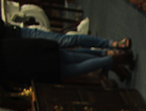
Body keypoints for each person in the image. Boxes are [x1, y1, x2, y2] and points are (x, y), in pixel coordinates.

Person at [0, 21, 134, 83]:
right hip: (22, 50)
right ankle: (110, 58)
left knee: (68, 42)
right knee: (71, 55)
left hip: (21, 39)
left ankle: (112, 48)